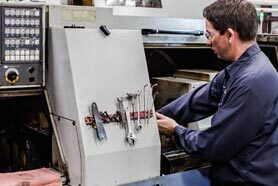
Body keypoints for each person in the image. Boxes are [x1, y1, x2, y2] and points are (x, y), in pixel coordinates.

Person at [156, 0, 278, 185]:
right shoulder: (241, 68)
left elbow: (212, 145)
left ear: (229, 35)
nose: (207, 41)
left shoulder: (252, 81)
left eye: (210, 34)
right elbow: (201, 99)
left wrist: (176, 130)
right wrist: (154, 115)